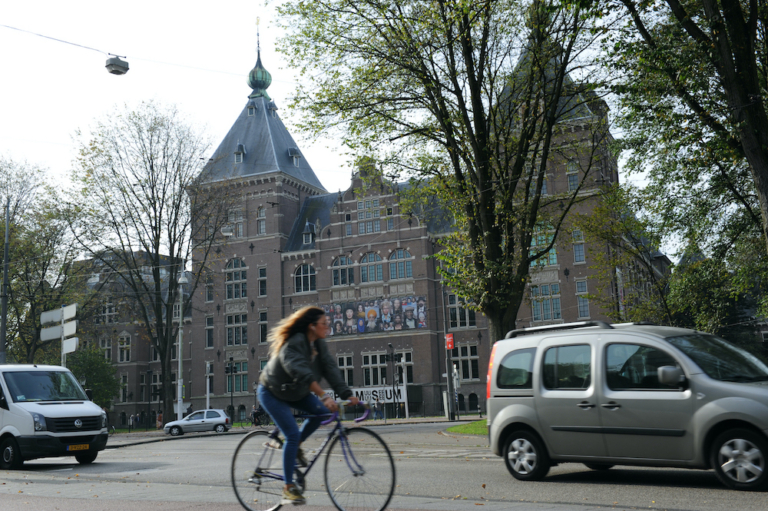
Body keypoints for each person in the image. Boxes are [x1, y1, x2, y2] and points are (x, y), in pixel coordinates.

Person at [258, 306, 360, 506]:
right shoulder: (295, 342)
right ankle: (288, 488)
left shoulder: (319, 344)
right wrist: (323, 395)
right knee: (292, 434)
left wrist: (347, 394)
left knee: (322, 413)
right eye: (324, 324)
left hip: (296, 392)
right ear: (312, 326)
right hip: (272, 391)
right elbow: (301, 372)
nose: (327, 327)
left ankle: (295, 446)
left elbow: (330, 368)